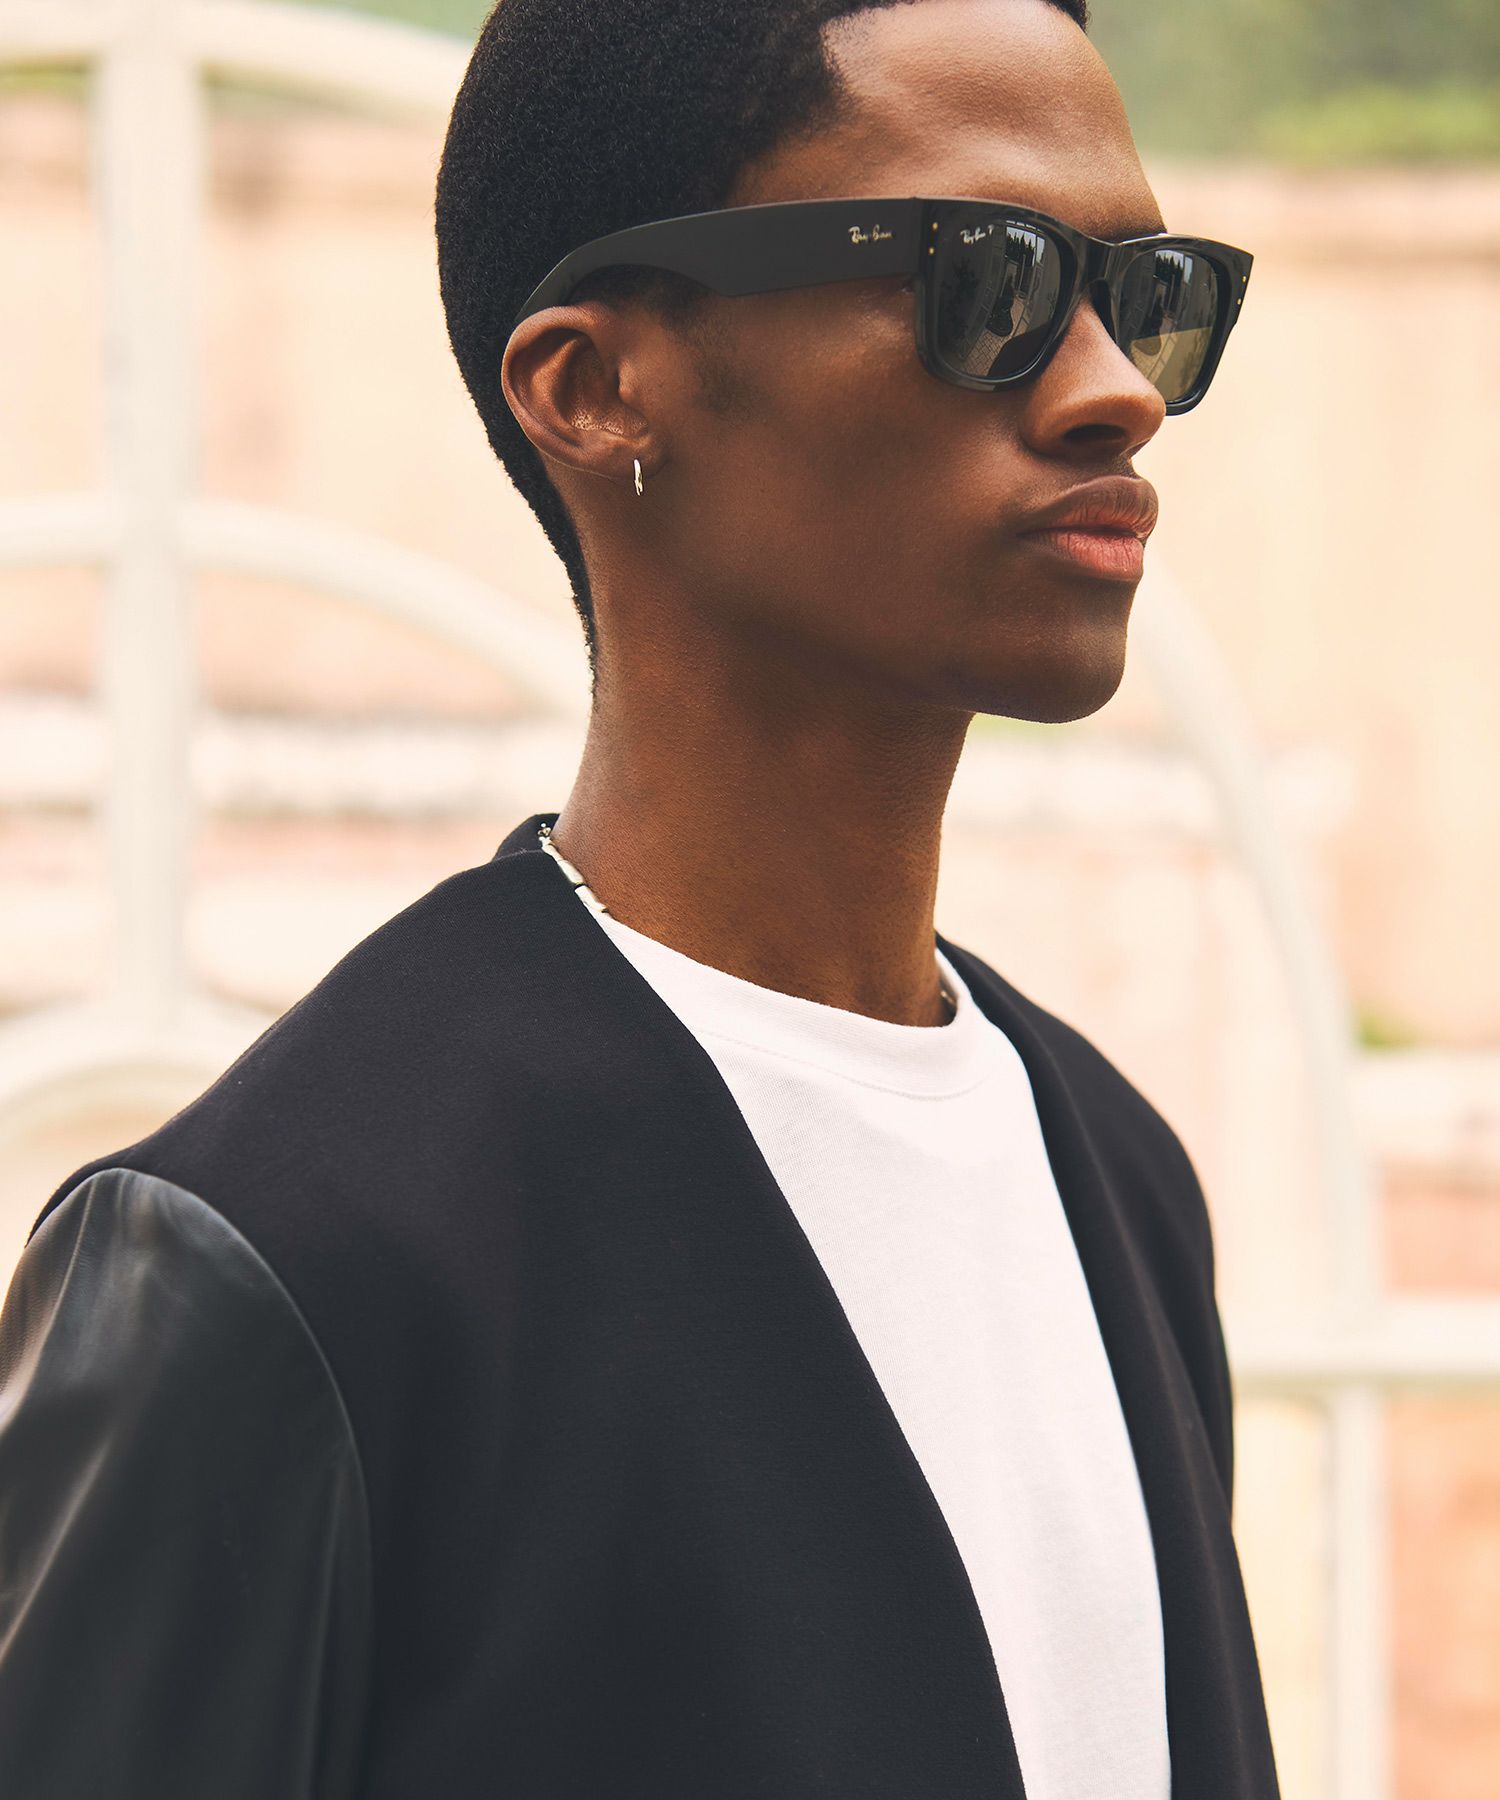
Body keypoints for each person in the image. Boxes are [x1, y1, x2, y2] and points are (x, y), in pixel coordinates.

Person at [0, 1, 1277, 1796]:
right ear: (594, 389)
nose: (1114, 388)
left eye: (1148, 296)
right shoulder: (278, 1259)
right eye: (985, 281)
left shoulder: (1120, 1177)